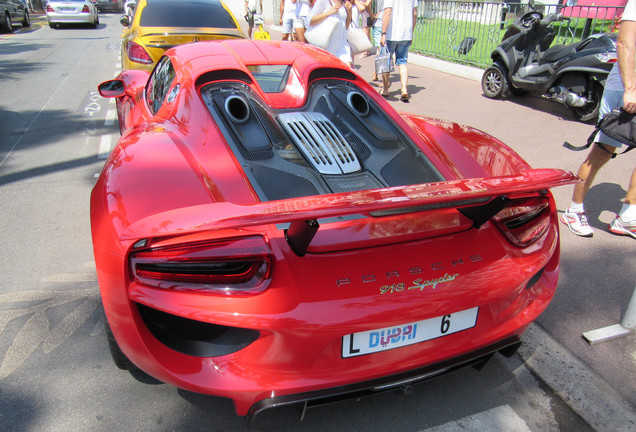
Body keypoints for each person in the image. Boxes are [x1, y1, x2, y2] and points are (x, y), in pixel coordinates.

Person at [561, 0, 636, 239]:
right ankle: (574, 210)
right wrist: (630, 88)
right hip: (624, 90)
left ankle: (627, 216)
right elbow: (624, 42)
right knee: (603, 151)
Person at [379, 0, 417, 101]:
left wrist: (383, 33)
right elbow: (414, 13)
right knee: (403, 62)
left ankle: (385, 89)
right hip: (405, 33)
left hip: (391, 33)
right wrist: (411, 32)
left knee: (385, 61)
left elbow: (388, 12)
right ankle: (404, 89)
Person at [306, 0, 353, 67]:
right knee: (330, 74)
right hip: (327, 46)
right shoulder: (324, 1)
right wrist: (327, 13)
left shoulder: (345, 3)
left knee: (347, 72)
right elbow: (308, 21)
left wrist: (350, 12)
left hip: (342, 45)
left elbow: (346, 27)